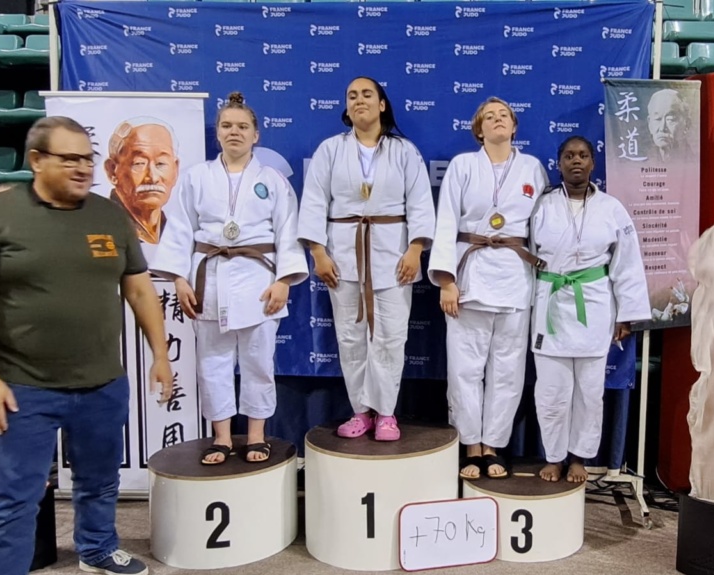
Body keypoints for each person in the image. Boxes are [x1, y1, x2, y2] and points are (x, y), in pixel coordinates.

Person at [0, 116, 173, 575]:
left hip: (101, 383)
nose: (81, 168)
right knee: (14, 496)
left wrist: (161, 355)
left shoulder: (108, 216)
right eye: (68, 158)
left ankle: (98, 548)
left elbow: (140, 293)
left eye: (87, 159)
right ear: (36, 161)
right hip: (21, 389)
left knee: (99, 481)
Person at [151, 92, 307, 464]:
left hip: (258, 279)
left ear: (257, 135)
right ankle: (221, 437)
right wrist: (179, 278)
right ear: (217, 134)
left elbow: (288, 231)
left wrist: (284, 280)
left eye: (242, 126)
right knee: (212, 362)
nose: (234, 132)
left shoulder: (272, 180)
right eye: (226, 126)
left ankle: (256, 435)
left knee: (258, 362)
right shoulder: (196, 178)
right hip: (209, 279)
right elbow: (179, 231)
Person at [298, 76, 436, 442]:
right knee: (350, 337)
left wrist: (416, 248)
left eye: (367, 95)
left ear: (382, 104)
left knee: (391, 337)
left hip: (394, 255)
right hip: (341, 257)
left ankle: (387, 413)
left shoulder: (404, 151)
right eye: (352, 95)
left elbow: (420, 201)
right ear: (346, 106)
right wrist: (317, 251)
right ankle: (361, 411)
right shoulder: (330, 149)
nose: (359, 100)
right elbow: (314, 200)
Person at [428, 97, 548, 479]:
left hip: (515, 277)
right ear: (479, 129)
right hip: (470, 275)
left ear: (514, 127)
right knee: (465, 367)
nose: (497, 121)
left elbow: (541, 228)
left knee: (508, 370)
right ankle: (470, 445)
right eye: (489, 118)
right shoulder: (464, 165)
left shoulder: (532, 168)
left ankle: (493, 445)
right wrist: (446, 280)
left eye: (504, 117)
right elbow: (446, 221)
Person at [530, 136, 651, 483]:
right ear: (559, 163)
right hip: (550, 304)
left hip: (595, 304)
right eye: (569, 156)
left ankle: (580, 457)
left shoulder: (612, 208)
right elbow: (523, 253)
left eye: (583, 155)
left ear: (593, 163)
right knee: (551, 393)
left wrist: (626, 314)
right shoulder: (541, 206)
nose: (576, 161)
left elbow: (626, 263)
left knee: (589, 393)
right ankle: (553, 456)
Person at [104, 117, 181, 245]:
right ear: (112, 171)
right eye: (139, 163)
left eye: (161, 164)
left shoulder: (177, 233)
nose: (153, 177)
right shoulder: (102, 227)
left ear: (175, 170)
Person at [645, 89, 693, 164]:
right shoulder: (642, 164)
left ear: (687, 124)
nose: (662, 128)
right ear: (649, 124)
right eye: (657, 119)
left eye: (670, 119)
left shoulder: (695, 163)